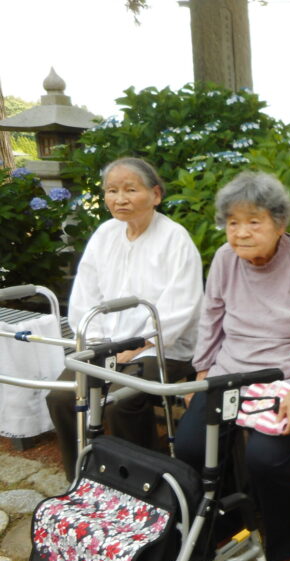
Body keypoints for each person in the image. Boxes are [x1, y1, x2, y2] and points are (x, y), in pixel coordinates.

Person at [174, 171, 290, 561]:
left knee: (266, 458)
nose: (241, 233)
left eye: (254, 221)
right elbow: (211, 318)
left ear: (279, 224)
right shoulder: (224, 258)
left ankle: (283, 547)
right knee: (191, 446)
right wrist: (202, 374)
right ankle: (230, 527)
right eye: (233, 222)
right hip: (230, 371)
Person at [46, 157, 203, 481]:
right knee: (61, 396)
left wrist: (137, 346)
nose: (120, 199)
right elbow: (85, 295)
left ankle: (143, 482)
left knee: (120, 401)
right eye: (112, 190)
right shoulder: (105, 234)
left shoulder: (175, 238)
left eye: (130, 190)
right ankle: (81, 478)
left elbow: (182, 305)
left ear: (155, 195)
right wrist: (98, 344)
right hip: (105, 344)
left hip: (162, 347)